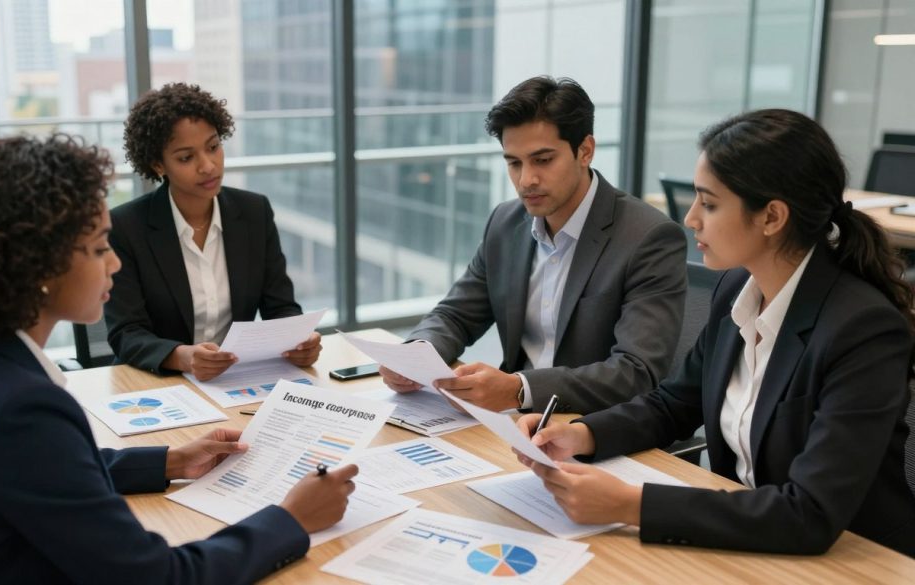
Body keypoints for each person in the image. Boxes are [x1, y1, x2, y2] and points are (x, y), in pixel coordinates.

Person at [0, 135, 359, 584]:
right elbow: (160, 577)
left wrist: (171, 462)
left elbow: (44, 473)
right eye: (98, 248)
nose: (114, 263)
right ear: (37, 265)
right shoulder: (21, 409)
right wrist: (291, 518)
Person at [516, 109, 915, 556]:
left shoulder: (863, 330)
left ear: (771, 217)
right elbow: (672, 405)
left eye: (708, 203)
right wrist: (583, 434)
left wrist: (632, 504)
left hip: (858, 560)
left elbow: (811, 513)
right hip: (747, 540)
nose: (690, 219)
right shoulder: (736, 290)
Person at [381, 76, 686, 413]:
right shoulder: (505, 222)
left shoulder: (648, 237)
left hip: (593, 428)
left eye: (542, 160)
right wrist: (417, 354)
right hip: (512, 422)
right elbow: (456, 315)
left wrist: (519, 389)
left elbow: (636, 371)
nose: (526, 180)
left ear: (585, 151)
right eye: (514, 163)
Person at [106, 83, 320, 380]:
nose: (208, 166)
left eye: (213, 146)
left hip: (234, 379)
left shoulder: (254, 212)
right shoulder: (126, 227)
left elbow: (281, 306)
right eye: (186, 157)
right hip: (155, 383)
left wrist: (298, 340)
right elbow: (126, 333)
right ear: (158, 165)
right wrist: (182, 357)